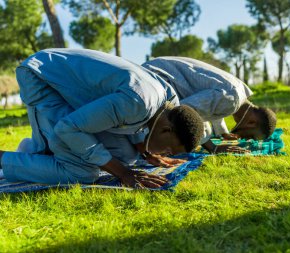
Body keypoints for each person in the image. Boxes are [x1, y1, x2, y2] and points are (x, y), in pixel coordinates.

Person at [0, 49, 204, 189]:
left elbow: (128, 122)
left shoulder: (168, 102)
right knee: (81, 172)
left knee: (124, 154)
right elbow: (68, 129)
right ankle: (13, 157)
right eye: (169, 149)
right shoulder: (138, 103)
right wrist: (123, 173)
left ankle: (37, 152)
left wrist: (145, 152)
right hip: (42, 77)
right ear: (167, 130)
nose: (166, 154)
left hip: (58, 77)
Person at [142, 56, 277, 153]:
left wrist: (222, 133)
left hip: (158, 69)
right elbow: (185, 111)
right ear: (251, 123)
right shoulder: (231, 100)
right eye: (250, 136)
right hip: (156, 76)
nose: (244, 138)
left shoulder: (239, 92)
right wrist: (213, 147)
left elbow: (212, 107)